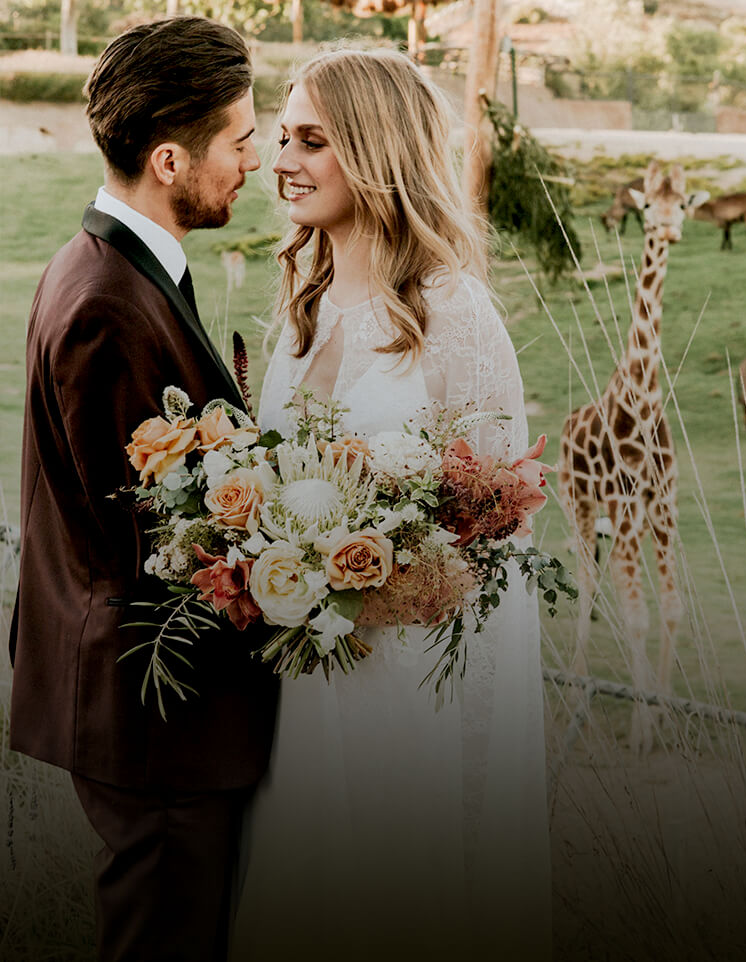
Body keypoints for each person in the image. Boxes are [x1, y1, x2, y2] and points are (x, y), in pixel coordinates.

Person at [231, 49, 551, 961]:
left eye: (311, 140)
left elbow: (497, 539)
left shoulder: (453, 314)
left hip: (408, 692)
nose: (281, 161)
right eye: (281, 137)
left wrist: (474, 744)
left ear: (375, 150)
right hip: (299, 685)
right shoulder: (303, 306)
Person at [9, 17, 278, 962]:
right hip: (157, 719)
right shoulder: (106, 306)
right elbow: (157, 543)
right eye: (240, 140)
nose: (257, 157)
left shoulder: (113, 270)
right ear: (170, 159)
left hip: (154, 717)